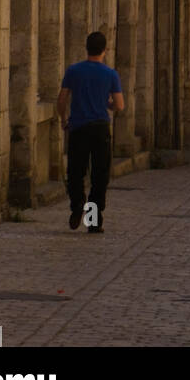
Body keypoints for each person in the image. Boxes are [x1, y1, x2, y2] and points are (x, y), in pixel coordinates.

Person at [57, 31, 124, 234]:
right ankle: (93, 221)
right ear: (105, 50)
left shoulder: (73, 71)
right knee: (99, 176)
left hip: (78, 127)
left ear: (86, 48)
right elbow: (119, 105)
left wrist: (63, 119)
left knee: (75, 172)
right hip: (100, 129)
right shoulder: (110, 74)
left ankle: (77, 205)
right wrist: (106, 103)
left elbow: (62, 99)